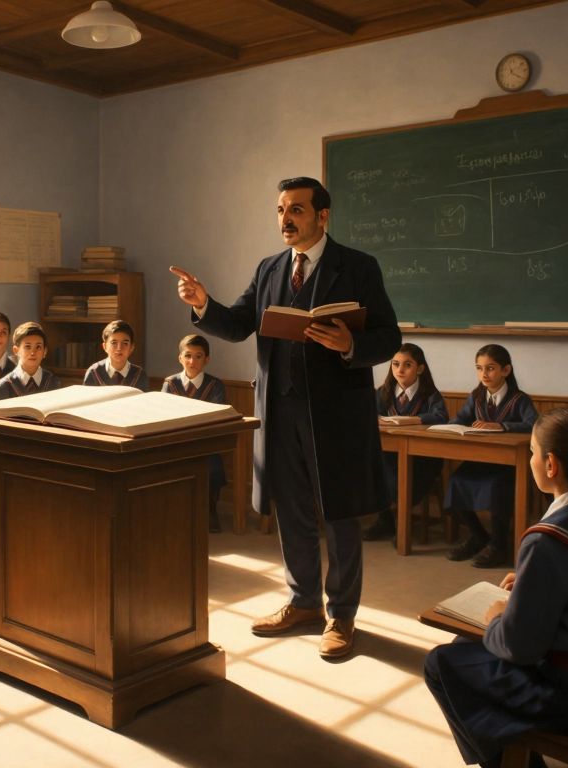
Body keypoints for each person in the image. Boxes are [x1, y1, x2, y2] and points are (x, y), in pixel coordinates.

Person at [171, 176, 400, 659]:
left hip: (337, 415)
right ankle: (303, 603)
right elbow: (236, 324)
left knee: (338, 514)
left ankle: (341, 615)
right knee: (291, 509)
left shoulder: (357, 266)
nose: (285, 219)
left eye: (296, 209)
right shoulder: (270, 268)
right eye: (280, 210)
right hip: (279, 410)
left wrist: (352, 345)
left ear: (323, 216)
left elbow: (390, 336)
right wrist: (202, 305)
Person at [425, 407, 568, 768]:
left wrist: (500, 617)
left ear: (550, 465)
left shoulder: (547, 539)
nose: (529, 458)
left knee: (441, 662)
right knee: (463, 647)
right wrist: (530, 584)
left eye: (531, 451)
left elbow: (519, 648)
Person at [444, 344, 538, 568]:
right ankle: (478, 536)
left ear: (506, 370)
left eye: (490, 368)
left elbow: (533, 424)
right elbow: (460, 419)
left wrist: (501, 426)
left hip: (509, 465)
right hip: (481, 460)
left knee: (497, 488)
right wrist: (448, 427)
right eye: (479, 368)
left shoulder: (519, 399)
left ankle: (499, 545)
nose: (484, 374)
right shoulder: (476, 396)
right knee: (455, 482)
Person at [365, 343, 447, 542]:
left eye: (407, 365)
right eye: (395, 364)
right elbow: (367, 415)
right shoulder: (382, 392)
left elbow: (442, 417)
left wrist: (414, 419)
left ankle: (402, 525)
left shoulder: (430, 394)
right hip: (388, 455)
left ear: (419, 368)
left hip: (422, 459)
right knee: (370, 470)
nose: (400, 370)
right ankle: (386, 521)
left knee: (398, 478)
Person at [162, 333, 229, 533]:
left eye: (198, 356)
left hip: (204, 443)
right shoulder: (170, 384)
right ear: (180, 358)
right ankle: (176, 513)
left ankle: (209, 509)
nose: (192, 361)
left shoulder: (215, 385)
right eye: (188, 355)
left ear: (206, 360)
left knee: (213, 466)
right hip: (176, 443)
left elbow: (216, 417)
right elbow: (164, 414)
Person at [0, 322, 62, 399]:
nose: (33, 353)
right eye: (27, 347)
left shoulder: (53, 382)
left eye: (38, 347)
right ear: (16, 350)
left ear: (44, 352)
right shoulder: (5, 386)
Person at [83, 319, 148, 390]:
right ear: (105, 347)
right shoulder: (94, 373)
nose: (119, 348)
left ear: (131, 347)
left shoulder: (139, 375)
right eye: (114, 343)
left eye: (125, 343)